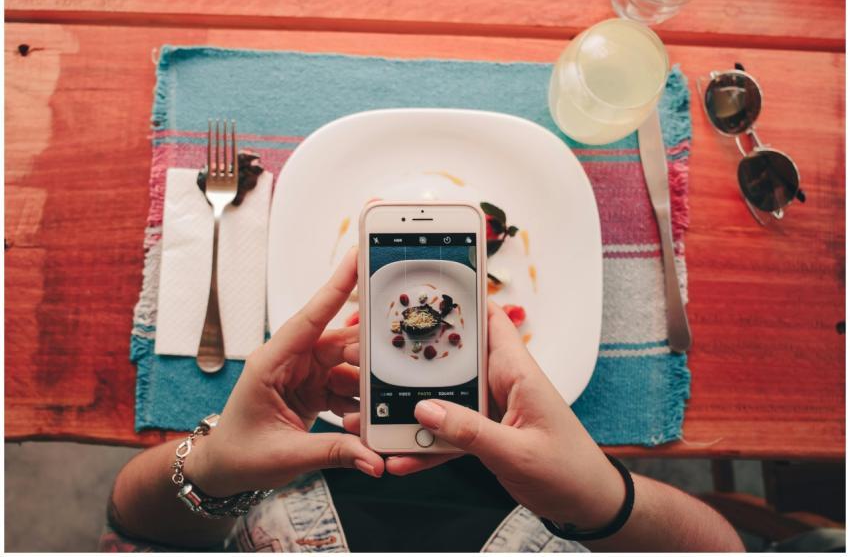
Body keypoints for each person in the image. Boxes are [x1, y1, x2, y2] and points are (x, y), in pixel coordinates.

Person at [104, 249, 743, 552]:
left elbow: (130, 525)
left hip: (297, 474)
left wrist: (215, 467)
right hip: (538, 490)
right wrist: (601, 499)